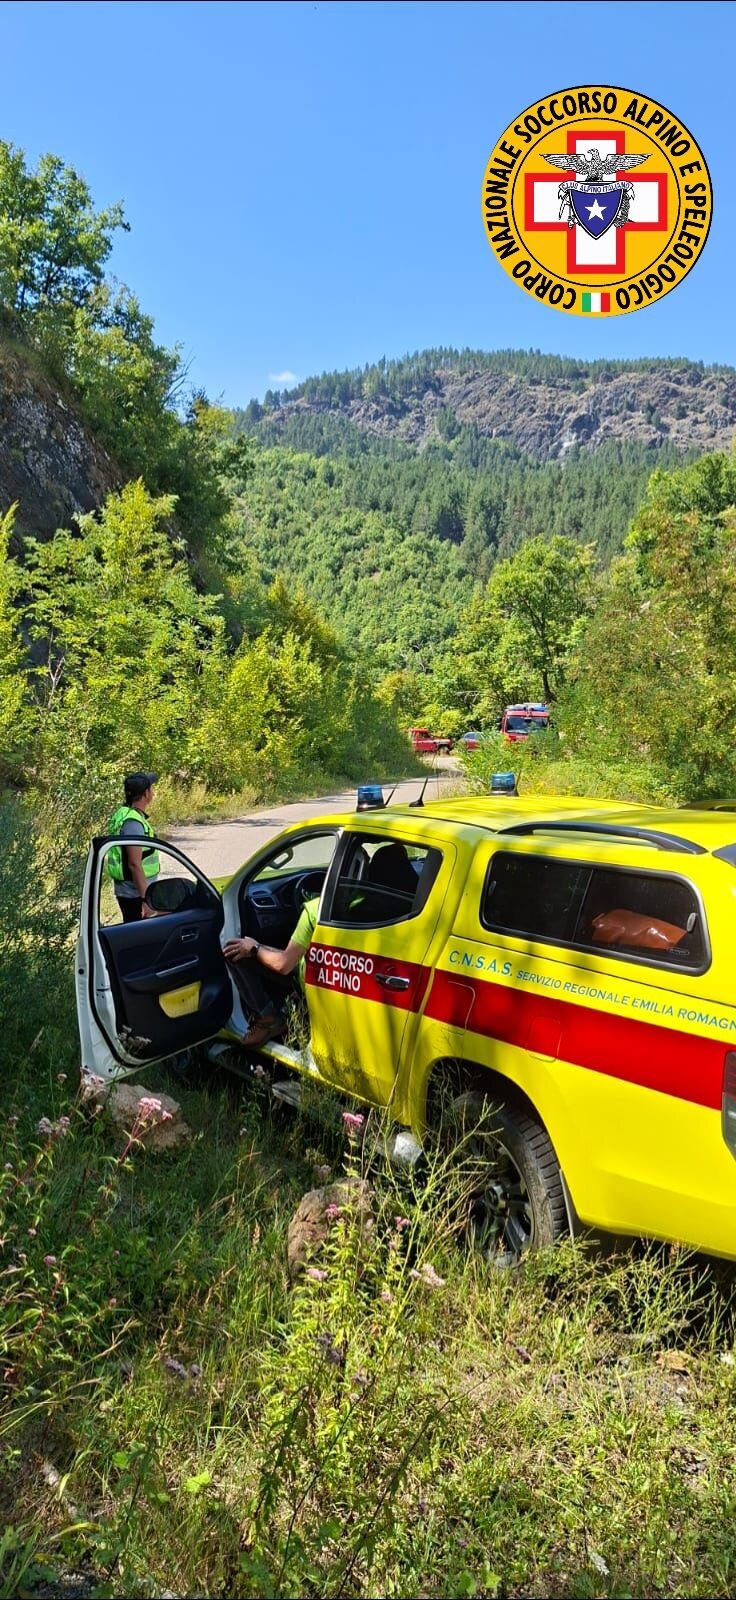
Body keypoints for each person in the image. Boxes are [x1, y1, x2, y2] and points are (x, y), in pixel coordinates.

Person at [222, 894, 319, 1049]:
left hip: (307, 975)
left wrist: (254, 948)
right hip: (316, 969)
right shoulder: (365, 902)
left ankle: (269, 1018)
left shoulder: (316, 909)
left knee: (235, 953)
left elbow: (283, 964)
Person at [106, 772, 160, 922]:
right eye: (151, 788)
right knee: (141, 937)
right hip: (135, 894)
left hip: (129, 891)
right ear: (146, 793)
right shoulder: (133, 823)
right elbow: (134, 864)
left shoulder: (123, 814)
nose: (153, 792)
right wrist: (146, 900)